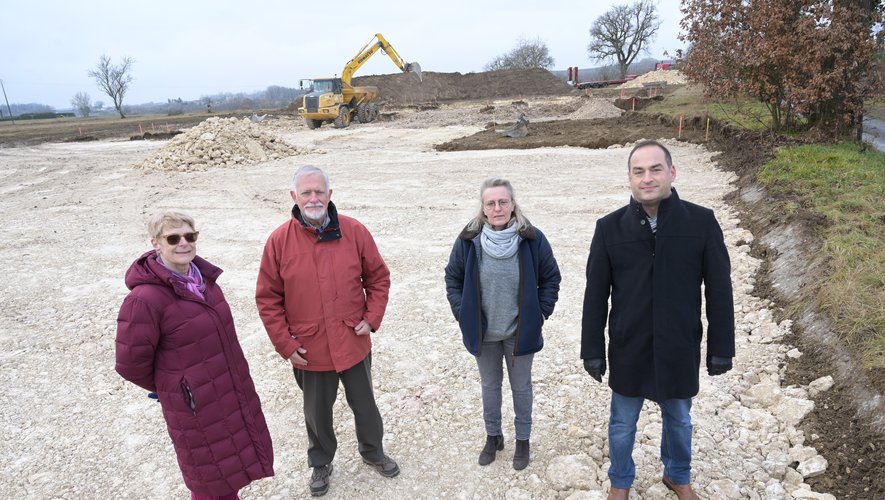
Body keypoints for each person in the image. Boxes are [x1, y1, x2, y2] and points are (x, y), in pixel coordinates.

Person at [581, 140, 735, 500]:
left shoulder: (701, 222)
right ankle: (620, 482)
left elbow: (719, 289)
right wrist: (593, 349)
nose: (647, 178)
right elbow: (595, 295)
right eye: (639, 171)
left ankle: (678, 475)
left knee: (679, 419)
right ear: (629, 178)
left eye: (655, 169)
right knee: (622, 422)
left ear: (672, 172)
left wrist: (721, 348)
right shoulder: (609, 228)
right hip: (628, 344)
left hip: (678, 344)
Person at [256, 165, 398, 497]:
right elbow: (267, 298)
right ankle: (321, 461)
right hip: (310, 349)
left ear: (330, 194)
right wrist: (285, 344)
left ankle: (373, 451)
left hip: (353, 339)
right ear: (294, 197)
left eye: (319, 191)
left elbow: (378, 278)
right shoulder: (279, 241)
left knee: (365, 405)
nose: (314, 198)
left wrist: (372, 316)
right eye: (306, 192)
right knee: (317, 413)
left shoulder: (354, 231)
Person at [116, 210, 274, 500]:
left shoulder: (206, 282)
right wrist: (176, 387)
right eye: (173, 238)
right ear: (156, 243)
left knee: (230, 471)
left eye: (190, 236)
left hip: (229, 392)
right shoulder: (144, 299)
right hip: (195, 405)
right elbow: (129, 364)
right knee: (208, 482)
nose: (183, 243)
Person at [445, 178, 561, 470]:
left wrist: (540, 313)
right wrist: (463, 313)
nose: (497, 208)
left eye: (503, 202)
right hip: (483, 334)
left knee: (521, 388)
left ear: (513, 204)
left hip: (519, 334)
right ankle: (493, 436)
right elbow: (453, 279)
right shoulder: (468, 240)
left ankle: (523, 440)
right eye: (491, 203)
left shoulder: (532, 239)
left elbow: (551, 278)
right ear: (483, 208)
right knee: (490, 387)